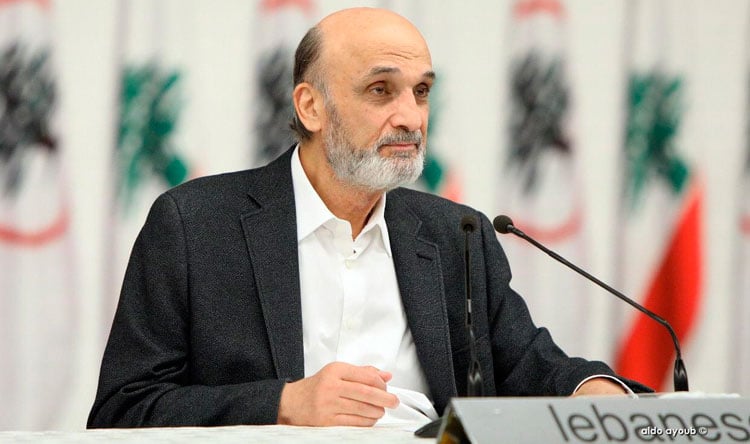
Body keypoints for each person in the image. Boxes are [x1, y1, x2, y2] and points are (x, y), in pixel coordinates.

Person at [88, 7, 648, 429]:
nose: (411, 118)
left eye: (421, 92)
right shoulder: (196, 226)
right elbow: (123, 409)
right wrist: (284, 403)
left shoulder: (458, 235)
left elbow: (531, 366)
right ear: (311, 107)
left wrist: (597, 393)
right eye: (381, 90)